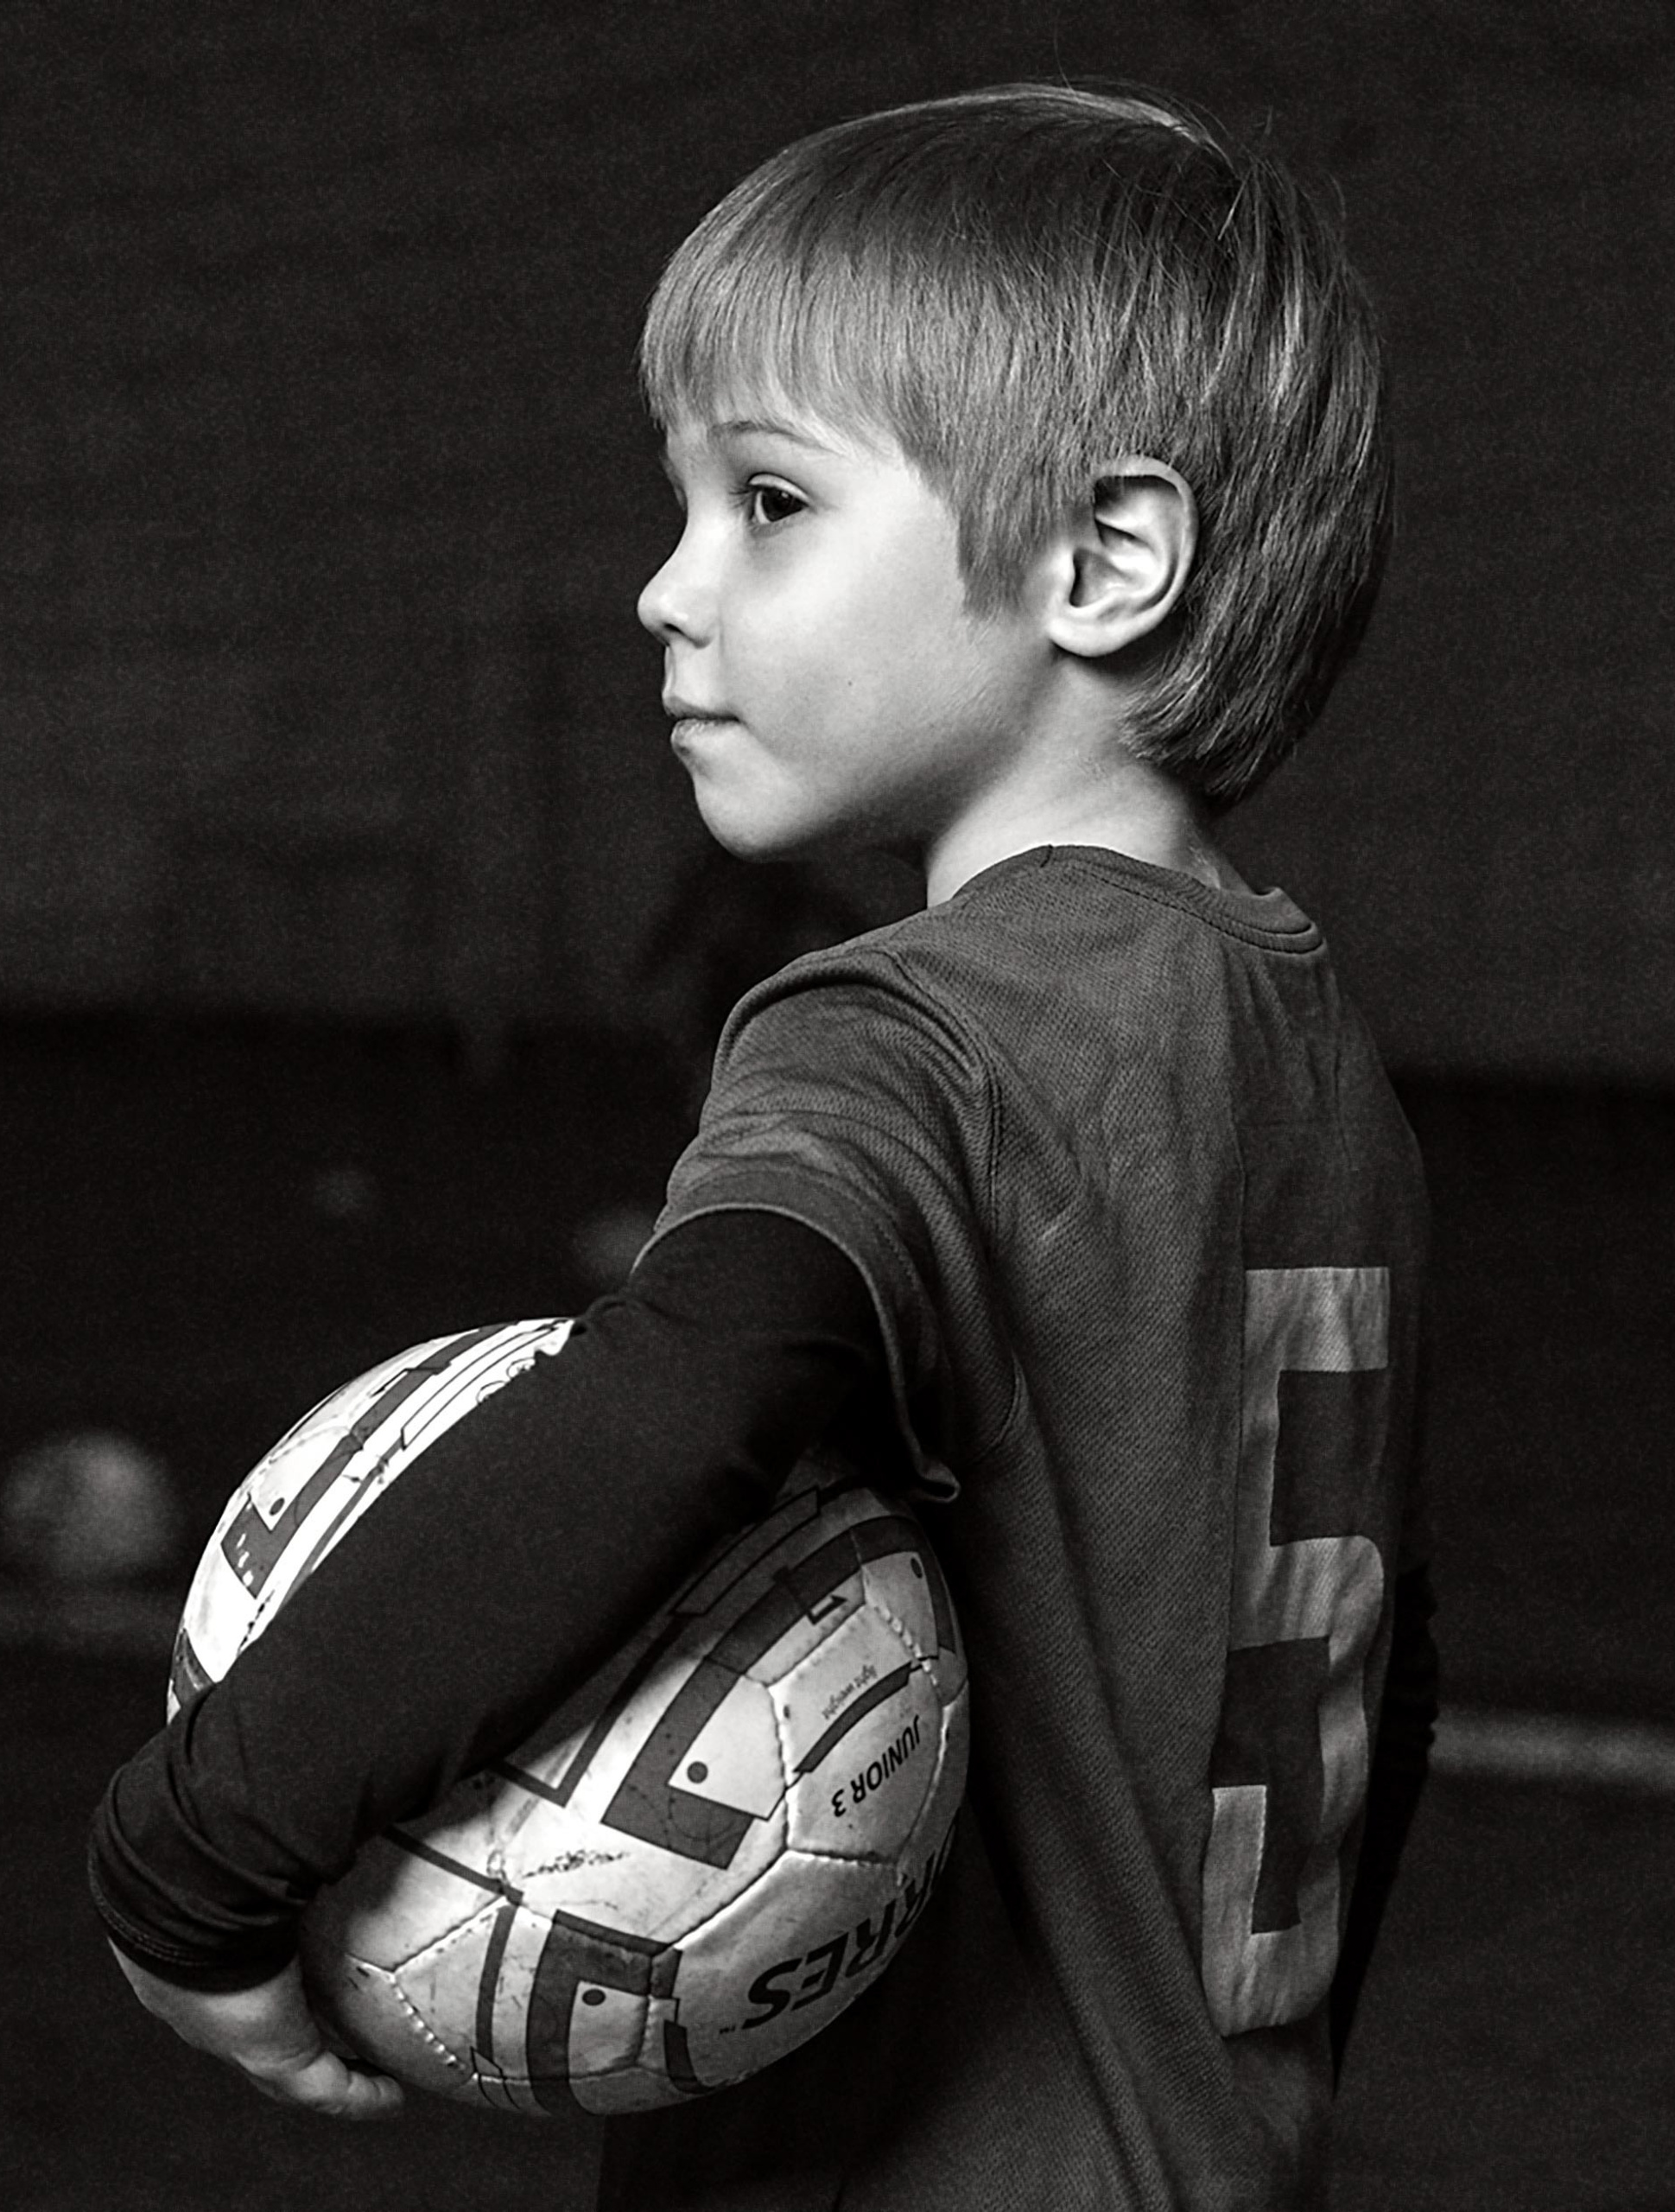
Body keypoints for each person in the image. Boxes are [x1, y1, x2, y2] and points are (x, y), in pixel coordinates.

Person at [89, 81, 1437, 2209]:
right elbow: (1373, 1651)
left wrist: (197, 1844)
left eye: (769, 502)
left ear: (1103, 560)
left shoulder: (908, 1037)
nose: (662, 588)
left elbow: (676, 1400)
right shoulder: (1300, 1044)